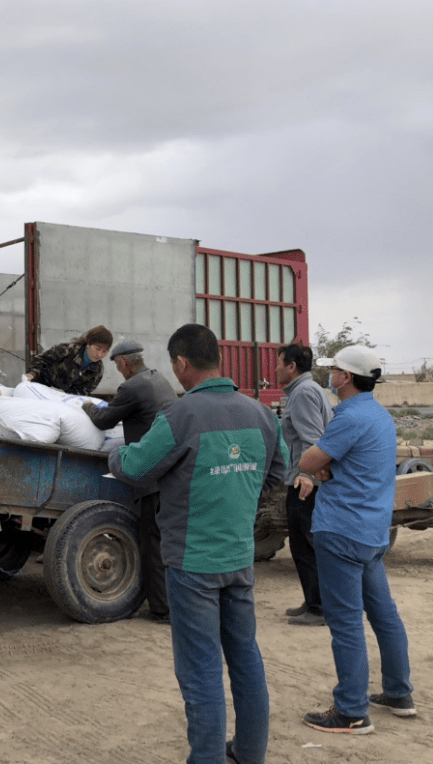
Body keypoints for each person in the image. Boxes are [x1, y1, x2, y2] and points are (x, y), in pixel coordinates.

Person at [117, 324, 287, 764]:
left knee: (200, 667)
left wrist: (115, 454)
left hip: (192, 563)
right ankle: (249, 753)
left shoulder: (180, 415)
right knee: (245, 657)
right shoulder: (262, 415)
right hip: (239, 558)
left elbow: (136, 466)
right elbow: (274, 476)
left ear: (182, 363)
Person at [299, 344, 414, 734]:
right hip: (371, 532)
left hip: (341, 530)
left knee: (346, 623)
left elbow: (308, 462)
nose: (330, 375)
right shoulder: (379, 416)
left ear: (345, 377)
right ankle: (399, 693)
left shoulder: (349, 417)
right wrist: (329, 468)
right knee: (384, 616)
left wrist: (323, 468)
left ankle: (351, 711)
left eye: (334, 370)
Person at [83, 339, 177, 623]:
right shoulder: (159, 379)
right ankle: (175, 602)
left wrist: (87, 406)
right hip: (172, 473)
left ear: (124, 363)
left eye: (117, 365)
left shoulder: (132, 387)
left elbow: (103, 421)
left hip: (151, 475)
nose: (118, 371)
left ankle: (162, 609)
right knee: (168, 541)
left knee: (151, 543)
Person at [275, 343, 333, 627]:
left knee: (305, 545)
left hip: (305, 484)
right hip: (305, 480)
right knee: (302, 544)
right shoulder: (308, 390)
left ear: (291, 367)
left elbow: (313, 439)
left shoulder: (304, 393)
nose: (275, 369)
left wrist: (306, 478)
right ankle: (313, 600)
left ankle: (319, 608)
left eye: (279, 363)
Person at [25, 326, 112, 395]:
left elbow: (83, 392)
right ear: (89, 343)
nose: (100, 354)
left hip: (60, 398)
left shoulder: (97, 370)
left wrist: (63, 396)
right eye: (97, 349)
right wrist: (33, 374)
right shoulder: (67, 350)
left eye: (104, 351)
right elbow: (41, 360)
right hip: (39, 388)